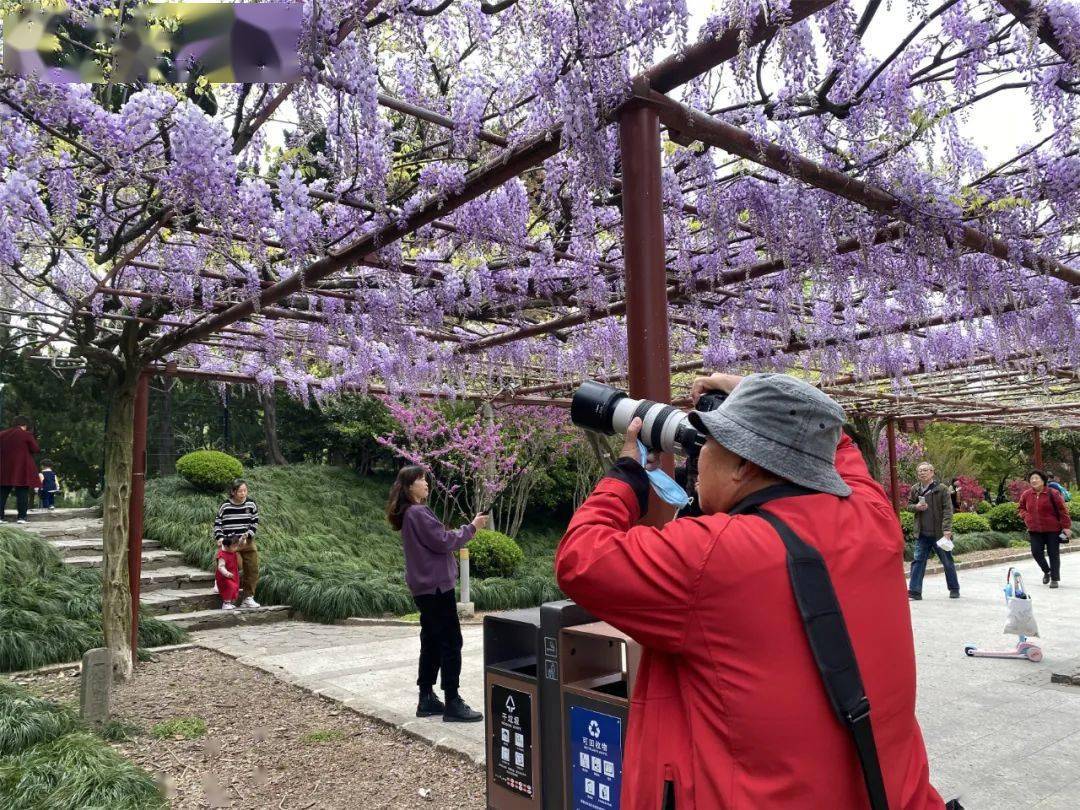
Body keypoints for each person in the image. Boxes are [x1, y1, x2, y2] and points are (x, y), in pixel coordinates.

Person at [555, 373, 943, 810]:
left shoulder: (713, 554)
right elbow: (839, 447)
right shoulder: (874, 518)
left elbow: (579, 558)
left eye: (706, 443)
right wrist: (768, 399)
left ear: (745, 466)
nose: (695, 458)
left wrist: (626, 474)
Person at [387, 465, 487, 724]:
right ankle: (452, 701)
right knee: (451, 641)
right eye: (421, 480)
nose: (426, 484)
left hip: (425, 588)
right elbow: (443, 540)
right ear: (410, 486)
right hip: (436, 588)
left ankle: (426, 698)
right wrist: (472, 527)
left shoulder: (409, 513)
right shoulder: (418, 512)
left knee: (431, 639)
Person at [907, 462, 959, 600]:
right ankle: (914, 592)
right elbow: (908, 505)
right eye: (919, 471)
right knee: (918, 561)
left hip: (939, 533)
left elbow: (948, 510)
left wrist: (947, 529)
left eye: (925, 470)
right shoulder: (915, 489)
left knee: (947, 561)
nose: (922, 473)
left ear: (932, 472)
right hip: (922, 533)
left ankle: (954, 588)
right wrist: (916, 507)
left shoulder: (941, 489)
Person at [1019, 470, 1073, 588]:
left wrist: (1066, 527)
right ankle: (1047, 571)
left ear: (1043, 480)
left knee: (1053, 554)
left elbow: (1063, 511)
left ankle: (1054, 579)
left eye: (1036, 478)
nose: (1033, 480)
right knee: (1036, 552)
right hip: (1034, 529)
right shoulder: (1026, 494)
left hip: (1053, 530)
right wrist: (1026, 516)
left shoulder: (1053, 493)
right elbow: (1021, 508)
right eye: (1031, 479)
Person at [213, 479, 261, 608]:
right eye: (240, 491)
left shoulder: (251, 504)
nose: (243, 493)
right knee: (233, 567)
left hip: (246, 541)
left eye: (245, 490)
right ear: (233, 492)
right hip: (230, 543)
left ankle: (248, 597)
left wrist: (248, 534)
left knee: (252, 568)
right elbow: (218, 523)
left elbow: (255, 522)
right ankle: (226, 597)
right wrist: (220, 537)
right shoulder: (226, 506)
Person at [0, 416, 40, 524]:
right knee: (22, 492)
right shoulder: (26, 434)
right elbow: (35, 449)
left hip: (4, 468)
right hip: (21, 467)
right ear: (25, 425)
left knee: (2, 493)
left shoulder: (2, 434)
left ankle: (0, 517)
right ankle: (21, 518)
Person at [216, 535, 241, 609]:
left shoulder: (232, 552)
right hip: (224, 576)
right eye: (234, 546)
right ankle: (225, 603)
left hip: (233, 573)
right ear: (226, 546)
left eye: (236, 546)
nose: (236, 548)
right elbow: (221, 566)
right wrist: (226, 573)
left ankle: (229, 602)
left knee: (234, 587)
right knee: (229, 586)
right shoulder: (222, 554)